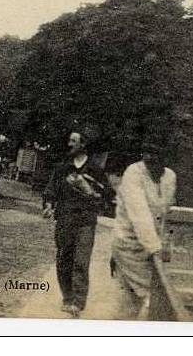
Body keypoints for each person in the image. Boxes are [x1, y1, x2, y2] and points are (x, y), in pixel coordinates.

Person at [43, 129, 113, 318]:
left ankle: (78, 302)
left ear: (83, 144)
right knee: (64, 259)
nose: (69, 144)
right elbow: (51, 189)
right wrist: (49, 205)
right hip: (65, 219)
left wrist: (92, 193)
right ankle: (67, 297)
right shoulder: (63, 167)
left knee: (81, 260)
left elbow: (107, 194)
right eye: (69, 141)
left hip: (85, 221)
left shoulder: (95, 169)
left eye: (73, 141)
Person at [110, 142, 176, 320]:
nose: (151, 158)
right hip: (128, 246)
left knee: (134, 303)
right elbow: (140, 216)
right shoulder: (133, 173)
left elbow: (165, 215)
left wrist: (164, 247)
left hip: (151, 249)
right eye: (147, 152)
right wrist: (155, 248)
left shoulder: (169, 177)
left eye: (156, 153)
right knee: (149, 298)